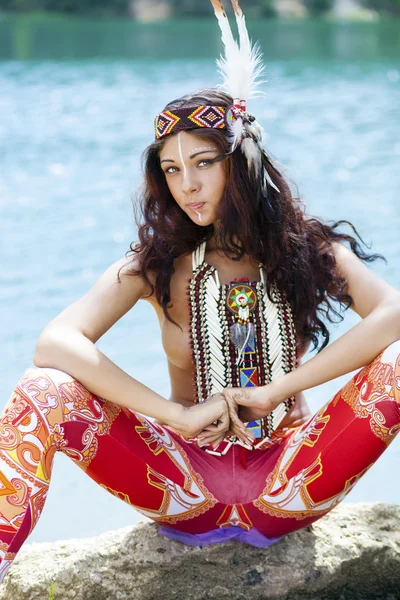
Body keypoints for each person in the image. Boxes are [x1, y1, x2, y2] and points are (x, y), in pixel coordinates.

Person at [1, 0, 400, 585]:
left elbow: (392, 316)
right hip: (182, 484)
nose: (186, 184)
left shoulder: (304, 252)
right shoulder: (155, 266)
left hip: (292, 480)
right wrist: (177, 418)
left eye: (203, 163)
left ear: (241, 162)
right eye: (170, 169)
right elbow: (55, 342)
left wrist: (280, 390)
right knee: (42, 390)